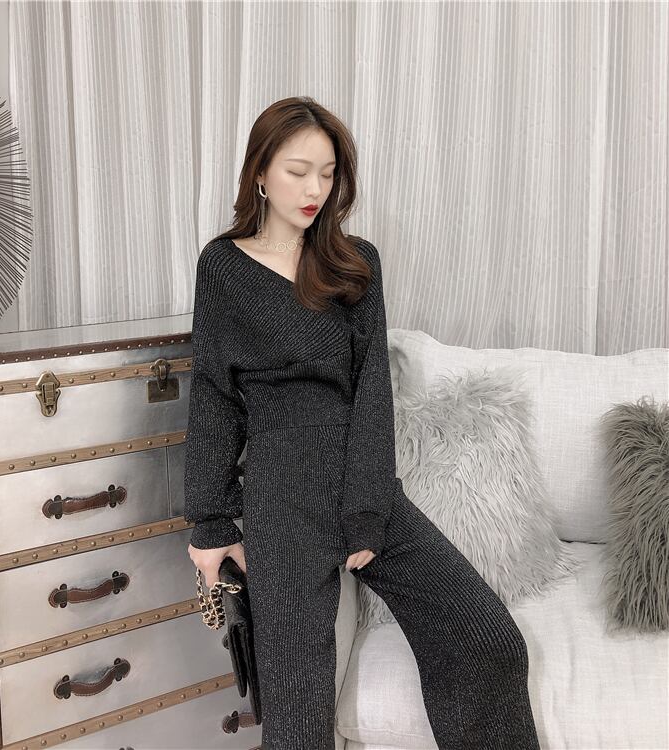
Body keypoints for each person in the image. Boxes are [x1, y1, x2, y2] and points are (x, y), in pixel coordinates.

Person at [184, 96, 540, 750]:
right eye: (298, 172)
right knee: (297, 720)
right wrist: (210, 523)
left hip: (365, 487)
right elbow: (214, 396)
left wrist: (368, 512)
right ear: (259, 173)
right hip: (281, 504)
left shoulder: (355, 263)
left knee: (489, 641)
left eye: (327, 174)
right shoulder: (223, 268)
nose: (314, 190)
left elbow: (373, 391)